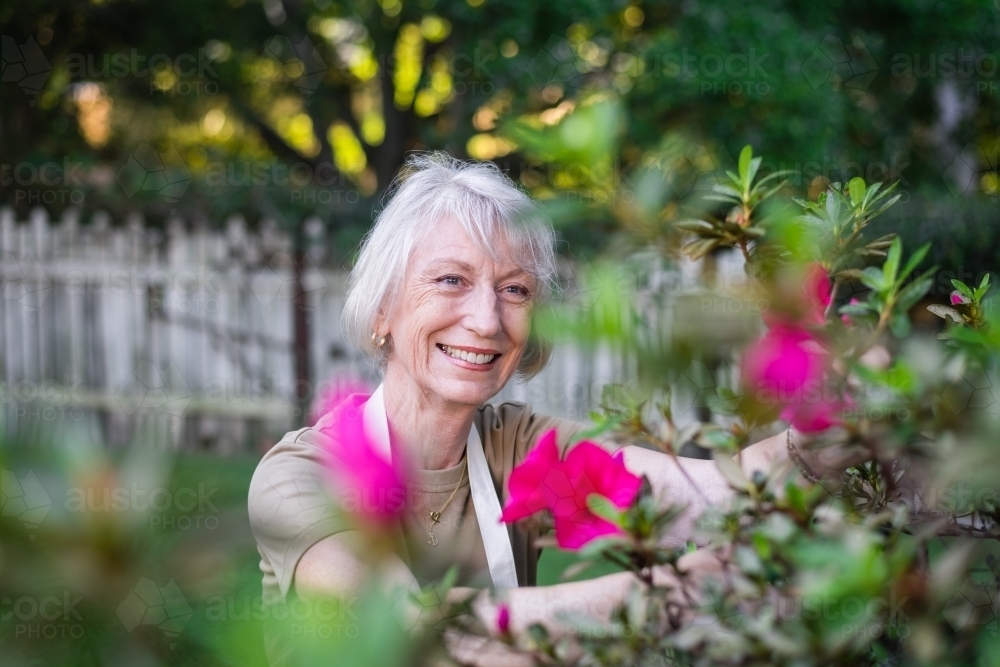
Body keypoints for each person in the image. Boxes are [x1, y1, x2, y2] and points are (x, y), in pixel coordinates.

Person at [248, 153, 855, 665]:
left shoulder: (518, 448)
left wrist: (829, 436)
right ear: (382, 310)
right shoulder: (299, 477)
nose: (487, 320)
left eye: (515, 290)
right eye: (451, 281)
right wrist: (672, 591)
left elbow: (712, 499)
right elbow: (414, 631)